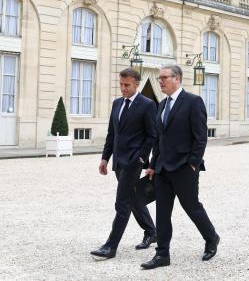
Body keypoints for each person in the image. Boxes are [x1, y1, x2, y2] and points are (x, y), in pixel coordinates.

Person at [141, 65, 219, 270]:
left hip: (184, 167)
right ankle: (162, 254)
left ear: (177, 79)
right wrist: (152, 164)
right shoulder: (161, 105)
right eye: (159, 78)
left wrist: (193, 163)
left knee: (192, 208)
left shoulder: (193, 102)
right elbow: (159, 139)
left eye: (164, 77)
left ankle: (211, 238)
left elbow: (201, 137)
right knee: (162, 212)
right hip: (162, 169)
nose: (160, 81)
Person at [90, 68, 158, 260]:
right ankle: (152, 232)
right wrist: (105, 158)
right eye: (121, 84)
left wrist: (141, 158)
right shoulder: (117, 103)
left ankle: (110, 246)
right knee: (134, 198)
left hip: (134, 162)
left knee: (122, 203)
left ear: (136, 84)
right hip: (118, 161)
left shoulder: (147, 105)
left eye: (127, 85)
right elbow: (112, 134)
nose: (123, 88)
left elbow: (152, 135)